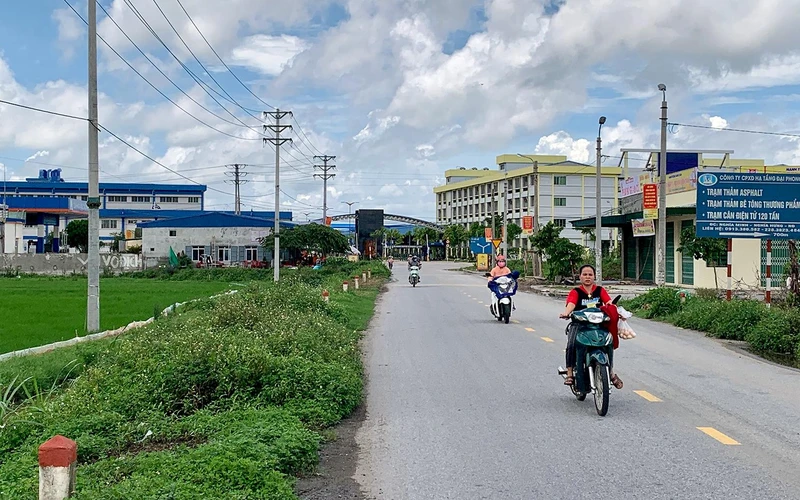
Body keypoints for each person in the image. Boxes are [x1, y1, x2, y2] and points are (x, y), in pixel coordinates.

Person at [559, 264, 623, 389]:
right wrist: (567, 313)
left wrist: (615, 309)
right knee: (571, 344)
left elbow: (608, 302)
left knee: (608, 342)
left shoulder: (600, 290)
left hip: (598, 325)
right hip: (580, 324)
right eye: (585, 274)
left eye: (590, 274)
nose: (587, 277)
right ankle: (570, 373)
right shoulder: (576, 291)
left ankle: (610, 372)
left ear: (594, 277)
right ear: (580, 277)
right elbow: (571, 303)